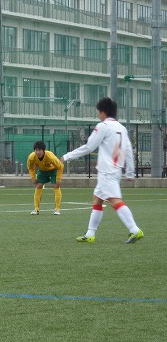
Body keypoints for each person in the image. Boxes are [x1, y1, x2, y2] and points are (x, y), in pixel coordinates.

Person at [61, 97, 144, 244]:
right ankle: (90, 234)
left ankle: (135, 229)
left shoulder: (103, 126)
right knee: (97, 199)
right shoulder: (121, 128)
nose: (98, 115)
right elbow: (128, 150)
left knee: (114, 201)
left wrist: (67, 156)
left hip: (107, 171)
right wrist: (130, 172)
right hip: (115, 170)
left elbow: (89, 147)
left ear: (103, 112)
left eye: (98, 112)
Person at [26, 140, 64, 215]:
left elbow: (60, 166)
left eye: (39, 150)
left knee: (56, 185)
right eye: (36, 150)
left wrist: (58, 179)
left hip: (54, 170)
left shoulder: (50, 156)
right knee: (38, 185)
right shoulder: (31, 157)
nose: (38, 152)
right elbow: (30, 168)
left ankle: (57, 209)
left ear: (43, 150)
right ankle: (36, 209)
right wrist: (33, 178)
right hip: (42, 171)